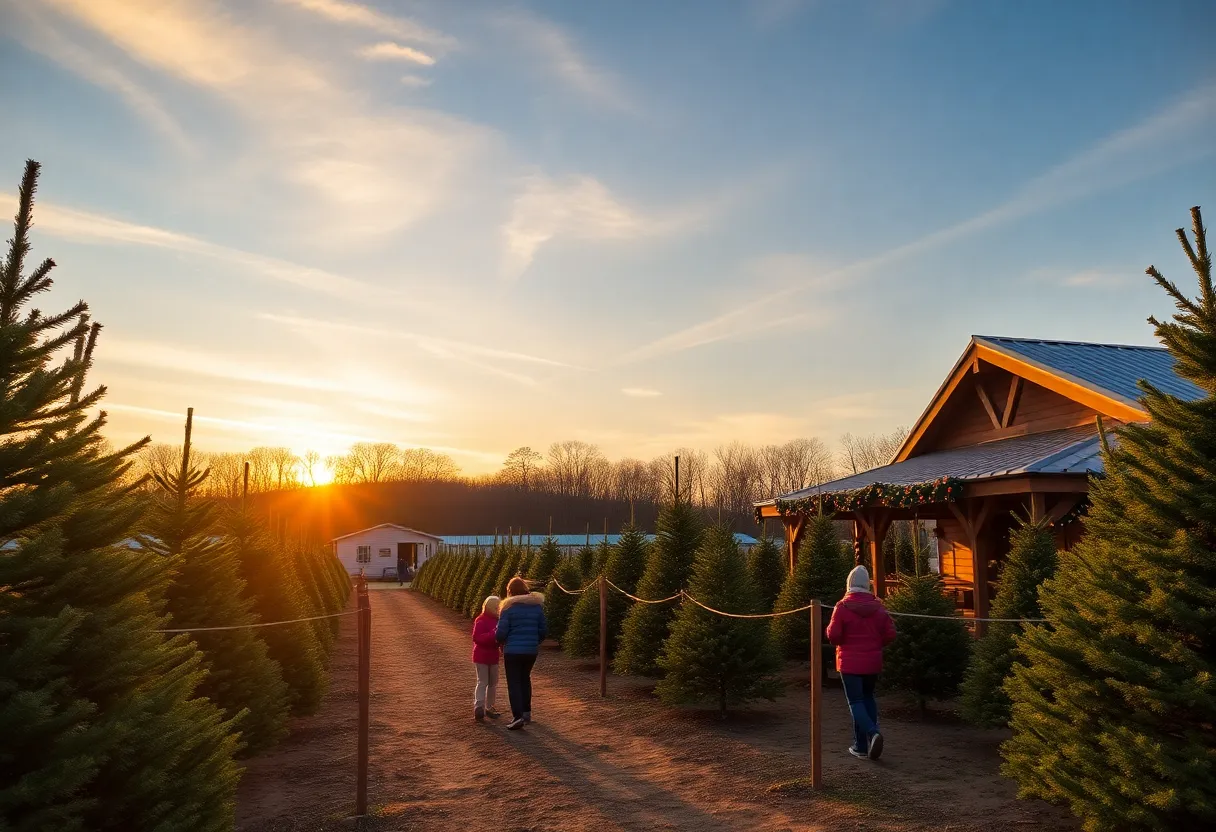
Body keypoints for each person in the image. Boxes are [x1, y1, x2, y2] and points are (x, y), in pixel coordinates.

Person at [826, 565, 897, 760]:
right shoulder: (879, 607)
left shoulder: (842, 607)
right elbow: (891, 633)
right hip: (872, 661)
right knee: (868, 698)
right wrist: (876, 644)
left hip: (849, 663)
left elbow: (834, 635)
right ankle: (861, 746)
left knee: (855, 701)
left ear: (849, 584)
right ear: (867, 585)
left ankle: (873, 733)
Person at [495, 576, 547, 730]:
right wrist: (534, 641)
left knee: (514, 683)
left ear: (510, 591)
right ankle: (526, 712)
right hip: (531, 651)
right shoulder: (536, 607)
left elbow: (501, 633)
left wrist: (499, 639)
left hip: (512, 651)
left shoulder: (508, 608)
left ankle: (517, 717)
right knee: (525, 679)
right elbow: (543, 630)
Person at [472, 596, 502, 722]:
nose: (498, 609)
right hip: (482, 656)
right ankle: (479, 706)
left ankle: (489, 707)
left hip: (493, 656)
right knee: (483, 682)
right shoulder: (481, 620)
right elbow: (477, 638)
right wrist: (493, 634)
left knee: (493, 683)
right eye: (496, 607)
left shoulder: (499, 620)